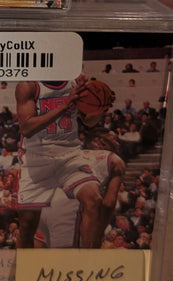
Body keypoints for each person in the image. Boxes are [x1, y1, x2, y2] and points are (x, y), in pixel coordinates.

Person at [15, 75, 106, 249]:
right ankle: (23, 264)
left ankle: (89, 261)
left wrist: (99, 109)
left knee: (93, 200)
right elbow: (26, 128)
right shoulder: (28, 85)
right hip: (36, 157)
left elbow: (88, 122)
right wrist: (65, 105)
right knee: (27, 224)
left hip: (68, 154)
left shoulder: (76, 82)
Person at [35, 129, 126, 248]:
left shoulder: (73, 154)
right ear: (100, 140)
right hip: (70, 207)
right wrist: (98, 232)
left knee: (44, 255)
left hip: (44, 205)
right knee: (76, 257)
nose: (118, 143)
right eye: (114, 139)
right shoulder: (114, 159)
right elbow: (109, 203)